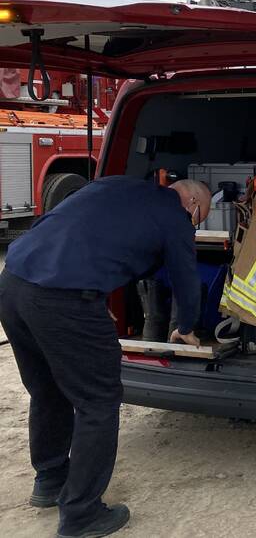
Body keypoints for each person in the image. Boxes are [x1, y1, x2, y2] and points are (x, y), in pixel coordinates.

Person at [0, 176, 211, 538]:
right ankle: (82, 514)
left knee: (48, 390)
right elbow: (185, 277)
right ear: (191, 202)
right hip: (65, 299)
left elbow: (68, 228)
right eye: (199, 217)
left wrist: (93, 293)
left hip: (13, 283)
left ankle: (50, 480)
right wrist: (187, 325)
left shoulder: (113, 185)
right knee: (98, 402)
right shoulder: (174, 217)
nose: (194, 224)